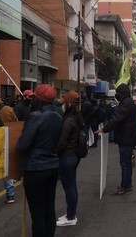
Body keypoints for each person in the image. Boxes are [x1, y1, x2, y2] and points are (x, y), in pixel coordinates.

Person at [16, 84, 62, 237]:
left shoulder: (35, 117)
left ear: (39, 99)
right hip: (53, 167)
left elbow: (22, 146)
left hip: (35, 169)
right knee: (49, 209)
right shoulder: (57, 116)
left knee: (37, 214)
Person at [96, 84, 136, 195]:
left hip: (126, 138)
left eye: (118, 93)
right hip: (128, 136)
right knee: (127, 163)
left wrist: (104, 129)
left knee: (125, 163)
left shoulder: (126, 103)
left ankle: (125, 186)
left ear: (121, 94)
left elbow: (117, 118)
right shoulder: (129, 102)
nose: (117, 96)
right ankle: (127, 184)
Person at [56, 90, 83, 227]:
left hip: (67, 156)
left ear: (69, 104)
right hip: (74, 156)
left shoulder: (69, 121)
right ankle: (70, 214)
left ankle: (71, 216)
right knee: (72, 186)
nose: (62, 104)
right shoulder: (77, 117)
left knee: (69, 187)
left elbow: (62, 142)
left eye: (64, 102)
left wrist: (55, 153)